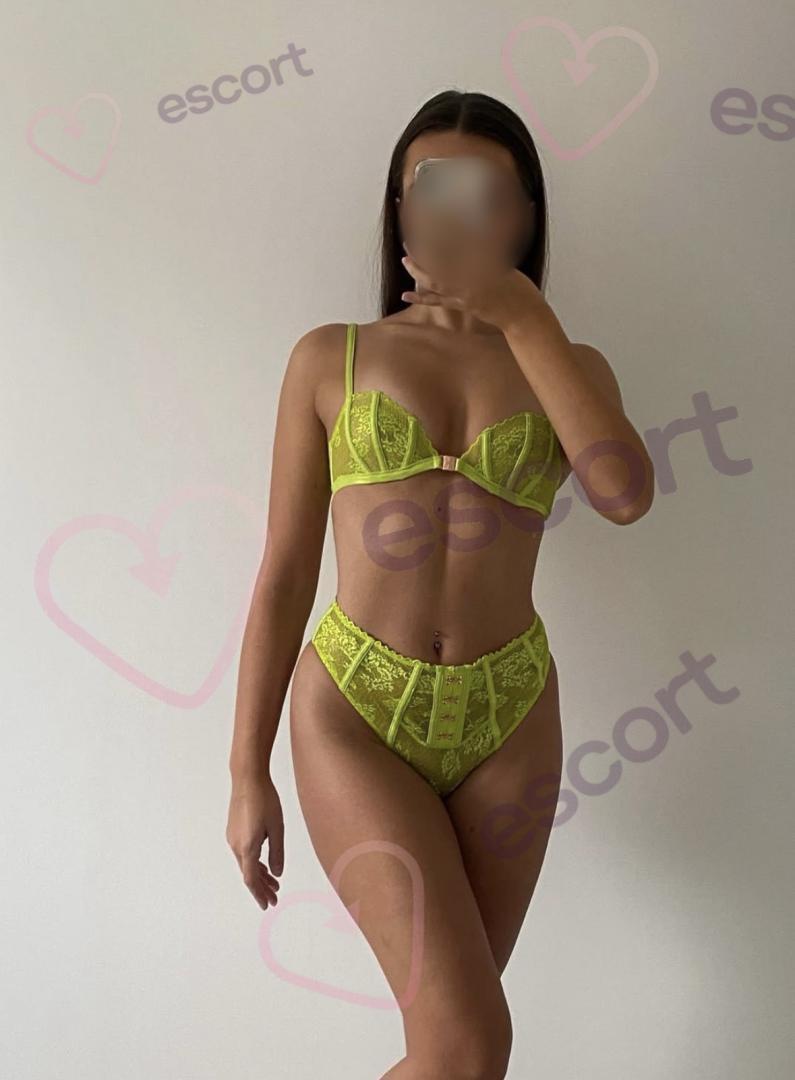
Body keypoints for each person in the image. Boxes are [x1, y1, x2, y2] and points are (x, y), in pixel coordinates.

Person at [226, 89, 655, 1080]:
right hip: (354, 711)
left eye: (487, 192)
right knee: (468, 1044)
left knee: (456, 1054)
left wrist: (523, 316)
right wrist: (246, 770)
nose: (458, 213)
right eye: (433, 186)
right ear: (400, 208)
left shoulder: (570, 366)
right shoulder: (331, 358)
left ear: (527, 213)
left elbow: (624, 495)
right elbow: (285, 571)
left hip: (511, 715)